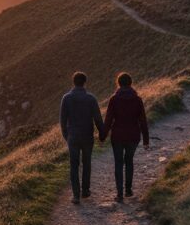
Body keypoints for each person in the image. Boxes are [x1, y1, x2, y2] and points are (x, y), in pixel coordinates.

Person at [101, 72, 149, 203]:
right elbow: (143, 121)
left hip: (117, 135)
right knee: (129, 161)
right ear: (131, 83)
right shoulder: (137, 99)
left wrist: (103, 136)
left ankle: (120, 194)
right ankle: (128, 189)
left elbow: (109, 120)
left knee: (118, 163)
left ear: (119, 83)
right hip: (133, 135)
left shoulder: (114, 99)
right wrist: (146, 140)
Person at [59, 71, 104, 204]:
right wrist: (102, 134)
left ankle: (75, 195)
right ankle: (85, 191)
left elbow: (62, 121)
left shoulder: (66, 98)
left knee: (74, 165)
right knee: (86, 163)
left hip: (72, 136)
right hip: (87, 136)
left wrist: (66, 136)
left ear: (73, 82)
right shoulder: (91, 98)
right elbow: (98, 119)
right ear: (85, 82)